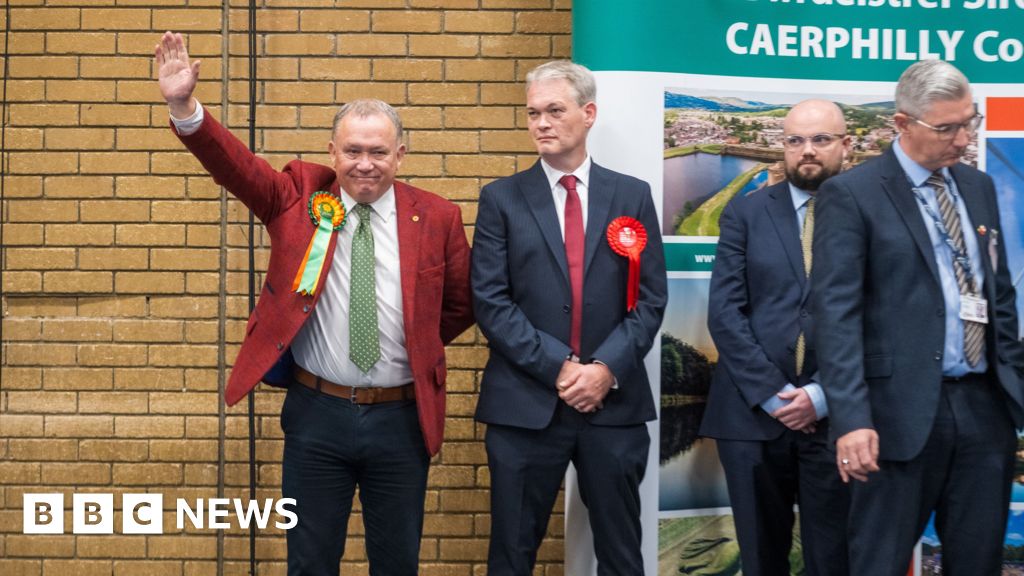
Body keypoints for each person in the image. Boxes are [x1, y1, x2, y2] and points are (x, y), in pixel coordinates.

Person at [154, 31, 474, 576]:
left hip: (401, 419)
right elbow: (236, 167)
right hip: (316, 417)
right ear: (332, 152)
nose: (365, 164)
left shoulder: (438, 217)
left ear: (400, 155)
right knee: (309, 562)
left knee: (397, 563)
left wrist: (416, 340)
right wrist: (185, 108)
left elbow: (460, 304)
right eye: (353, 151)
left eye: (378, 152)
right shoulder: (298, 197)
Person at [813, 59, 1024, 576]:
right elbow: (836, 316)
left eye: (969, 123)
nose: (963, 140)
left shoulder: (976, 187)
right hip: (894, 416)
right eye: (947, 128)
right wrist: (851, 419)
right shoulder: (853, 193)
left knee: (978, 561)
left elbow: (999, 298)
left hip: (984, 410)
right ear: (902, 124)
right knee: (879, 562)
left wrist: (1014, 392)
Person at [471, 60, 668, 575]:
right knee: (511, 556)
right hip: (526, 405)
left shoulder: (632, 195)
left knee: (622, 556)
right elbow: (491, 300)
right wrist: (560, 368)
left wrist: (604, 370)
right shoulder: (500, 199)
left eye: (554, 111)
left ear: (589, 113)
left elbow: (651, 300)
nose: (541, 123)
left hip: (613, 405)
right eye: (533, 113)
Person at [701, 99, 851, 576]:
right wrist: (774, 393)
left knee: (835, 561)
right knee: (762, 560)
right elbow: (725, 312)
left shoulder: (870, 215)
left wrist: (820, 396)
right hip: (751, 416)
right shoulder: (745, 213)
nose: (807, 150)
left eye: (820, 139)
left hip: (839, 418)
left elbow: (880, 317)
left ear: (846, 145)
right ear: (782, 147)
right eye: (795, 141)